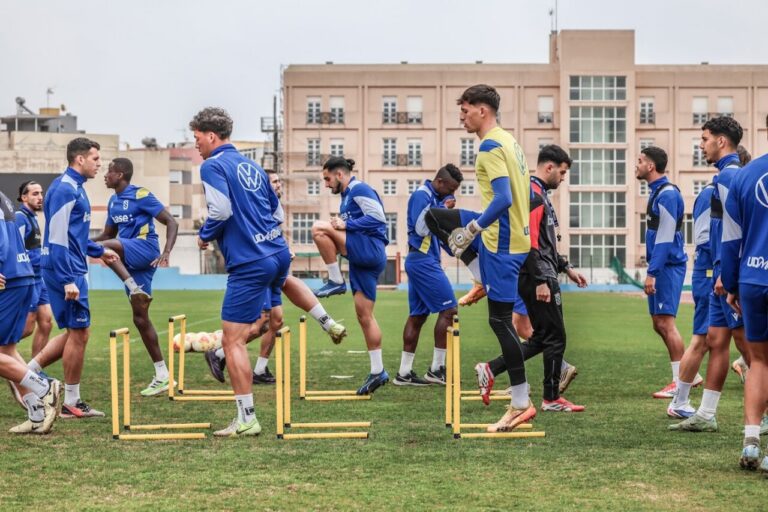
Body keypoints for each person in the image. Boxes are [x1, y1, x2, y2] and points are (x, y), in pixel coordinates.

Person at [425, 84, 534, 432]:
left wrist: (472, 228)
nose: (461, 116)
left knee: (500, 322)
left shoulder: (489, 147)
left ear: (482, 111)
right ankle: (478, 276)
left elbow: (502, 199)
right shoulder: (509, 141)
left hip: (502, 243)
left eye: (465, 110)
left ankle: (520, 403)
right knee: (435, 217)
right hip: (509, 239)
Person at [193, 107, 290, 437]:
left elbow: (220, 210)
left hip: (251, 262)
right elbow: (277, 214)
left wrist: (205, 235)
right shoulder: (254, 167)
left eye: (196, 139)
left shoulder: (213, 165)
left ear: (210, 136)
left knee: (232, 340)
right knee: (262, 320)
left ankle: (246, 417)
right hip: (278, 253)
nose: (196, 146)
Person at [203, 169, 347, 385]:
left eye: (280, 181)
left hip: (269, 259)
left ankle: (258, 369)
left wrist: (281, 248)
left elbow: (272, 229)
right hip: (256, 266)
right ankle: (221, 353)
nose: (279, 185)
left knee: (275, 321)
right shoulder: (252, 205)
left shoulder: (270, 207)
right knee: (262, 321)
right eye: (274, 182)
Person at [473, 145, 587, 412]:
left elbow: (545, 243)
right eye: (561, 172)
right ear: (549, 167)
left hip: (541, 272)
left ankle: (491, 369)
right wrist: (540, 280)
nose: (562, 178)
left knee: (542, 338)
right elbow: (531, 242)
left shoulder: (538, 194)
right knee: (556, 337)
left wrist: (566, 267)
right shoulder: (533, 195)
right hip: (537, 275)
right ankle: (551, 399)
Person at [28, 137, 119, 419]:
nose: (99, 164)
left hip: (68, 266)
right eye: (95, 159)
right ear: (79, 159)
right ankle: (70, 402)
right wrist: (68, 278)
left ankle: (27, 372)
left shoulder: (74, 188)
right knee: (80, 333)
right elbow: (56, 239)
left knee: (75, 331)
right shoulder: (65, 189)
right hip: (65, 270)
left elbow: (73, 236)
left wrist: (98, 250)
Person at [669, 116, 748, 432]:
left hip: (727, 277)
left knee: (748, 346)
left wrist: (726, 274)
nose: (701, 146)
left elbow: (736, 233)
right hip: (718, 274)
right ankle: (705, 414)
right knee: (716, 340)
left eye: (704, 139)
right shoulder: (719, 181)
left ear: (722, 141)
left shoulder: (730, 179)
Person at [91, 157, 179, 396]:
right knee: (140, 318)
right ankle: (162, 376)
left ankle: (130, 283)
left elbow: (171, 221)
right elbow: (108, 233)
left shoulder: (140, 194)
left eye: (109, 171)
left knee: (107, 248)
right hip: (131, 259)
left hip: (146, 249)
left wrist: (166, 252)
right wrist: (85, 242)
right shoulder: (113, 201)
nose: (105, 175)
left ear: (120, 174)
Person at [311, 157, 389, 395]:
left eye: (327, 179)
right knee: (365, 316)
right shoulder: (347, 197)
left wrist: (344, 225)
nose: (326, 184)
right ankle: (379, 372)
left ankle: (335, 280)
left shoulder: (359, 188)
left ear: (340, 175)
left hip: (370, 249)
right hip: (363, 258)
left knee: (318, 229)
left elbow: (378, 217)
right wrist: (344, 223)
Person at [0, 187, 63, 434]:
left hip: (9, 278)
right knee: (7, 350)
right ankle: (36, 413)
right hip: (20, 276)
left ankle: (44, 387)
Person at [395, 164, 462, 386]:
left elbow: (435, 232)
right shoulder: (421, 196)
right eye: (451, 189)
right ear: (440, 182)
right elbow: (421, 229)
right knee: (450, 310)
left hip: (422, 260)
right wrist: (443, 207)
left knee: (418, 316)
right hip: (422, 261)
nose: (453, 194)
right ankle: (436, 369)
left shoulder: (433, 198)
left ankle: (404, 374)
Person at [722, 151, 768, 472]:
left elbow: (730, 239)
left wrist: (731, 284)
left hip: (753, 277)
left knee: (760, 360)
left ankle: (751, 442)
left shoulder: (744, 176)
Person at [635, 146, 688, 400]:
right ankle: (687, 375)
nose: (637, 164)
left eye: (640, 161)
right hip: (661, 266)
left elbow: (666, 237)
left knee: (666, 323)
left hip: (668, 267)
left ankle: (681, 381)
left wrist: (652, 272)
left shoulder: (667, 194)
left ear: (651, 166)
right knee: (659, 323)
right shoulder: (658, 193)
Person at [15, 181, 53, 358]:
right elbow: (15, 249)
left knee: (46, 323)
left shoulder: (33, 218)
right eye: (35, 194)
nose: (40, 197)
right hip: (28, 279)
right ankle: (5, 354)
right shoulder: (20, 217)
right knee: (28, 328)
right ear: (24, 197)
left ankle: (34, 368)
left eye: (41, 193)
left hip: (39, 278)